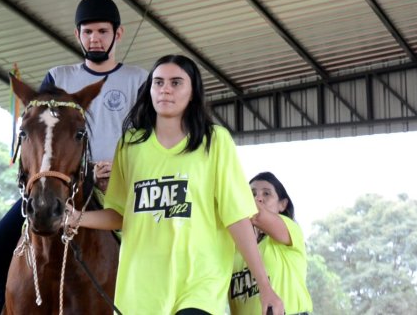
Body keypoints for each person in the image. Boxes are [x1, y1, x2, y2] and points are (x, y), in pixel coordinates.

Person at [69, 54, 284, 315]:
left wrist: (265, 287)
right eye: (158, 83)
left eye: (175, 83)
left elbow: (237, 218)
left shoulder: (215, 142)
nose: (165, 89)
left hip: (199, 284)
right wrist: (75, 218)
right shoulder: (130, 145)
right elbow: (120, 215)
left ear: (193, 92)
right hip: (140, 291)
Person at [0, 0, 148, 315]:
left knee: (145, 249)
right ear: (77, 35)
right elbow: (42, 127)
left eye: (102, 31)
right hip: (61, 179)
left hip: (117, 186)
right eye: (87, 32)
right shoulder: (58, 77)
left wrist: (120, 168)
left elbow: (149, 137)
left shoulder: (138, 80)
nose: (94, 38)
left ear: (118, 33)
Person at [229, 172, 313, 315]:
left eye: (266, 194)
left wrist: (238, 199)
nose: (258, 198)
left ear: (283, 204)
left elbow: (257, 216)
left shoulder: (290, 232)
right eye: (252, 193)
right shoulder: (233, 251)